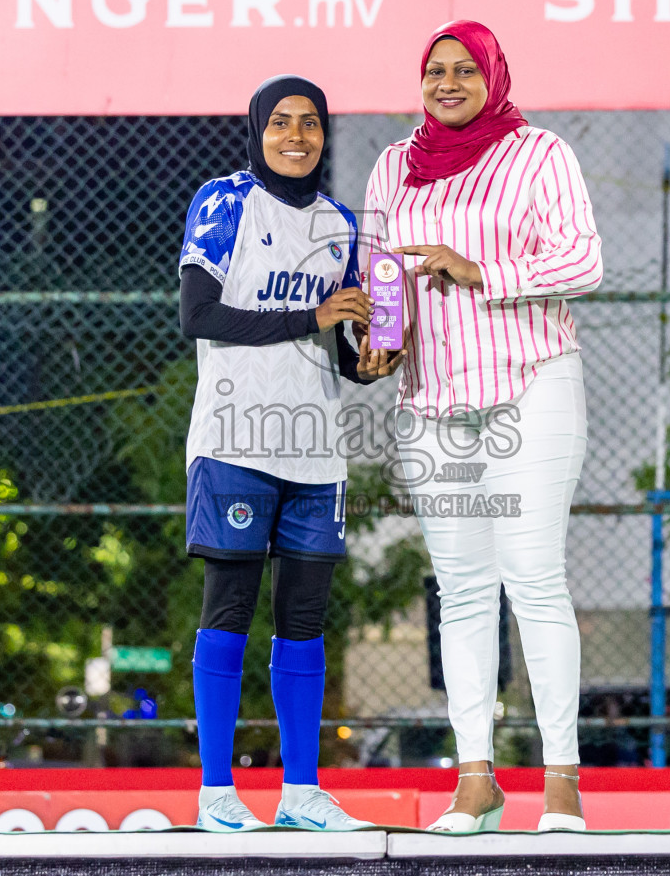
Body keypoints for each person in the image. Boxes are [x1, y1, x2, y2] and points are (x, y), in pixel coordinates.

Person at [362, 20, 603, 832]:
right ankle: (476, 781)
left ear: (494, 75)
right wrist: (380, 346)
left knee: (533, 575)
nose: (449, 82)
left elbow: (583, 262)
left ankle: (561, 782)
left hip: (533, 383)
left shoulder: (540, 154)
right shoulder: (395, 166)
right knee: (462, 591)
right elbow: (380, 278)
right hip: (432, 402)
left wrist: (477, 270)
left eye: (467, 68)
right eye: (435, 70)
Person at [179, 75, 403, 832]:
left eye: (310, 123)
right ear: (258, 129)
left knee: (305, 621)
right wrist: (311, 314)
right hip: (235, 438)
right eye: (282, 122)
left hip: (316, 453)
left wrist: (369, 361)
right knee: (230, 610)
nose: (297, 135)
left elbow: (333, 347)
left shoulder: (342, 225)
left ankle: (301, 793)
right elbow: (199, 314)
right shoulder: (224, 201)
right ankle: (216, 794)